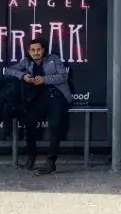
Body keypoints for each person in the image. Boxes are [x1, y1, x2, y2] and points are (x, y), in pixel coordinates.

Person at [4, 37, 72, 175]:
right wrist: (23, 76)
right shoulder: (26, 61)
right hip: (38, 98)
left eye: (38, 50)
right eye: (33, 50)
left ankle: (51, 162)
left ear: (43, 50)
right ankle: (31, 156)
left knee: (55, 126)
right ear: (29, 51)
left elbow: (63, 76)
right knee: (29, 123)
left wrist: (44, 79)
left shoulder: (54, 59)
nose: (36, 53)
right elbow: (8, 70)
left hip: (56, 96)